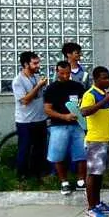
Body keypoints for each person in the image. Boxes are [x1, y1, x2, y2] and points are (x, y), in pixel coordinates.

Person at [79, 67, 109, 217]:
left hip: (105, 139)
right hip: (95, 140)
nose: (107, 81)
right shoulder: (90, 94)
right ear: (95, 79)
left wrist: (105, 100)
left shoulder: (103, 95)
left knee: (99, 174)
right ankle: (90, 209)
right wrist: (104, 101)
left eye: (108, 77)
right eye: (103, 78)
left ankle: (97, 203)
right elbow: (84, 111)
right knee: (93, 175)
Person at [43, 61, 86, 195]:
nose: (65, 76)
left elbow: (84, 103)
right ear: (57, 72)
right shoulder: (51, 89)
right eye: (62, 73)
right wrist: (64, 116)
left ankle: (81, 181)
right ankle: (64, 182)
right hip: (58, 126)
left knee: (82, 154)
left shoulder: (77, 86)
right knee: (58, 154)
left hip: (77, 125)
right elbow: (48, 110)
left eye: (67, 73)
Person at [12, 51, 48, 182]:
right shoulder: (18, 81)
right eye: (35, 63)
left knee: (39, 149)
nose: (38, 65)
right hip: (25, 121)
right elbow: (25, 100)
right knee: (25, 148)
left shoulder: (36, 77)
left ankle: (37, 174)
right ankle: (22, 176)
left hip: (40, 119)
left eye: (38, 62)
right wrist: (38, 86)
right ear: (26, 64)